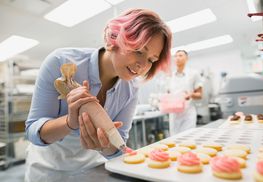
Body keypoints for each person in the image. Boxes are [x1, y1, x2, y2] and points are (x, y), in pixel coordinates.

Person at [25, 8, 172, 181]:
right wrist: (69, 122)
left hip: (93, 168)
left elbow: (118, 145)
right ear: (113, 41)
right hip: (49, 169)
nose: (142, 65)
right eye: (139, 51)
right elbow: (33, 131)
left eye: (151, 60)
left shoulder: (131, 88)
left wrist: (105, 146)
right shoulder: (61, 62)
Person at [168, 50, 203, 136]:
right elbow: (168, 93)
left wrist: (190, 94)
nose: (177, 58)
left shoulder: (194, 74)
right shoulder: (170, 75)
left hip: (188, 114)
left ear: (186, 58)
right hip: (174, 115)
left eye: (180, 55)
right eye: (175, 56)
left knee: (188, 138)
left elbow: (200, 95)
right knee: (174, 140)